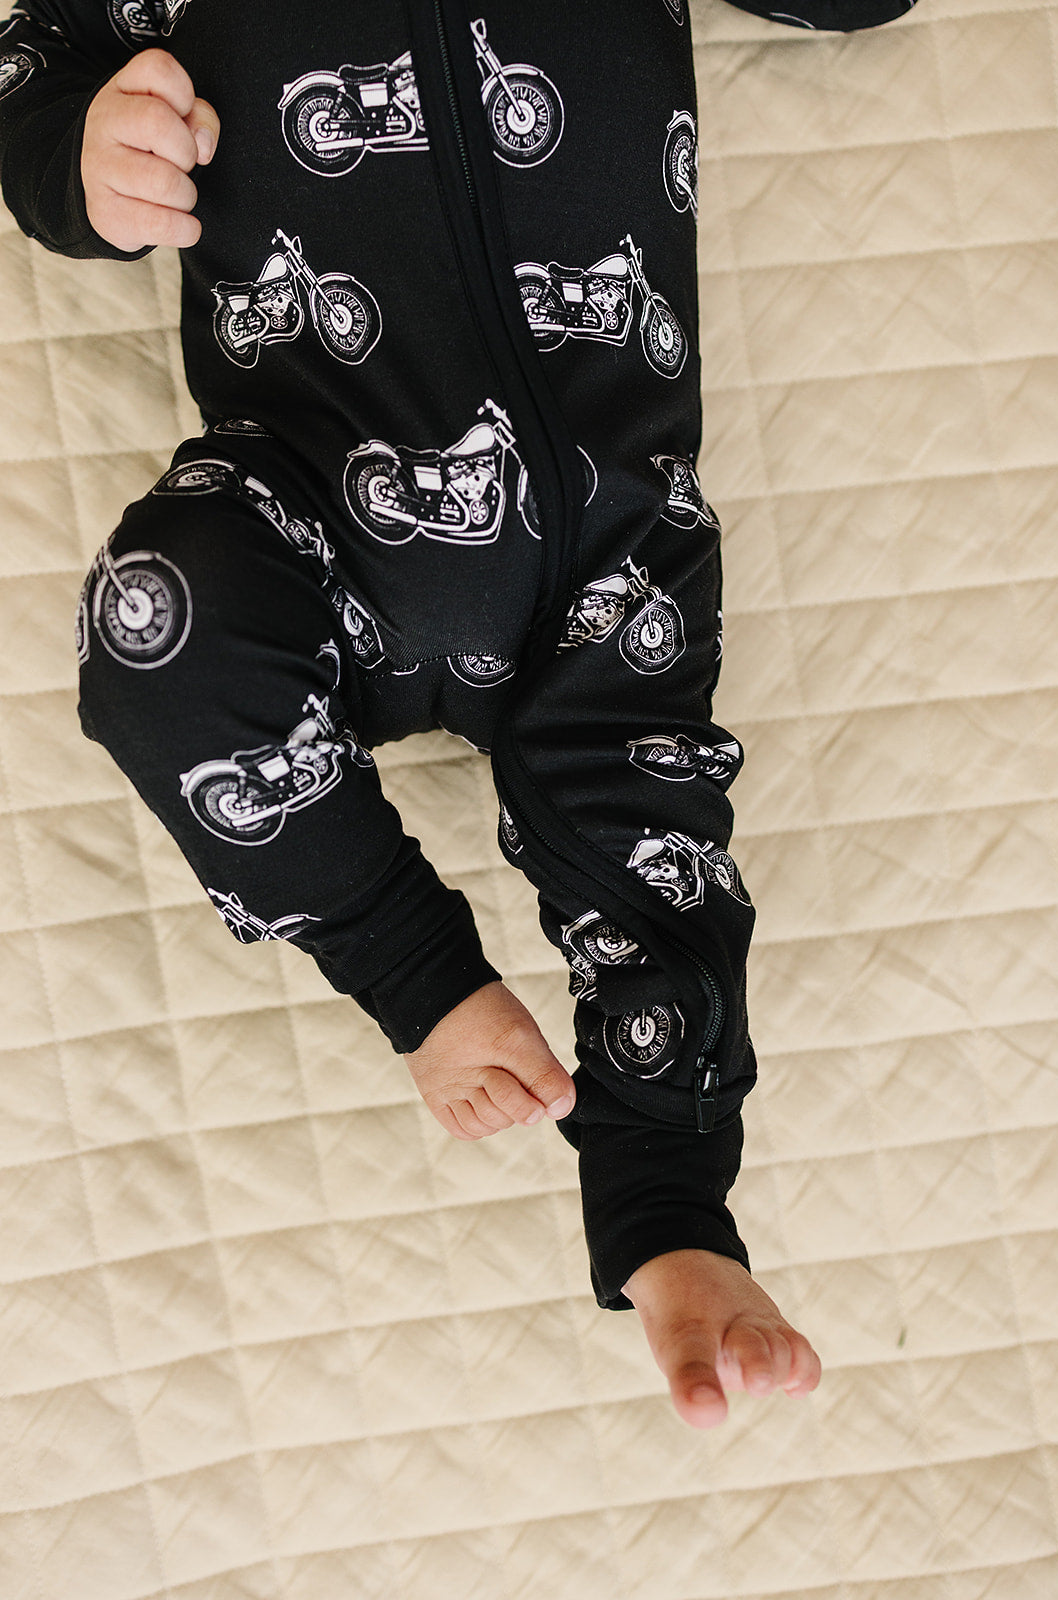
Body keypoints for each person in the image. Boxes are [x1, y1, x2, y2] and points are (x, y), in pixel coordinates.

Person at [0, 0, 911, 1428]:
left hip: (613, 530)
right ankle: (411, 967)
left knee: (655, 860)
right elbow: (32, 59)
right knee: (161, 621)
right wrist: (81, 159)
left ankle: (667, 1218)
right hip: (309, 493)